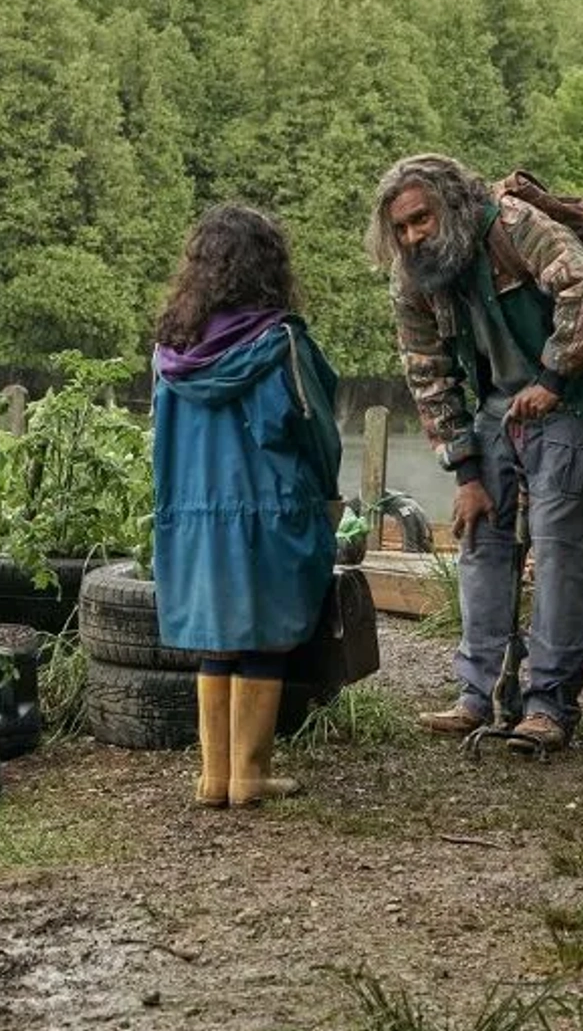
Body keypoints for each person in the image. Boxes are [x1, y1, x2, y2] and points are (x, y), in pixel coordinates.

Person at [366, 154, 583, 755]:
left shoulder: (513, 225)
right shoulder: (413, 276)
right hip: (497, 404)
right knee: (479, 534)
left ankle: (550, 706)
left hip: (576, 397)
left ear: (450, 205)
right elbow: (427, 374)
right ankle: (478, 695)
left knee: (561, 548)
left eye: (420, 219)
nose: (412, 236)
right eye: (400, 228)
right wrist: (467, 471)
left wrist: (554, 377)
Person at [152, 203, 342, 807]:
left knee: (218, 639)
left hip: (192, 515)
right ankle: (251, 776)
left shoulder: (171, 351)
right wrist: (329, 494)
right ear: (270, 268)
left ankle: (214, 778)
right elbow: (313, 431)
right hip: (267, 509)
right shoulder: (278, 342)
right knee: (264, 639)